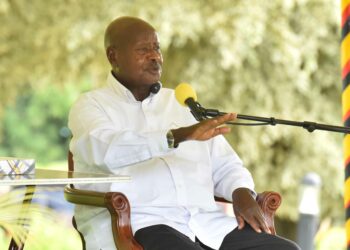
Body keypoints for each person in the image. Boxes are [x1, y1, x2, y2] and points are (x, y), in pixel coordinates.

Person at [68, 16, 300, 250]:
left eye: (156, 48)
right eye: (143, 49)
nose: (154, 56)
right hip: (142, 222)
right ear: (113, 56)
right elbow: (106, 150)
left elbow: (226, 164)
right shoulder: (90, 105)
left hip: (205, 223)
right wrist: (177, 136)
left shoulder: (181, 103)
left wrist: (241, 191)